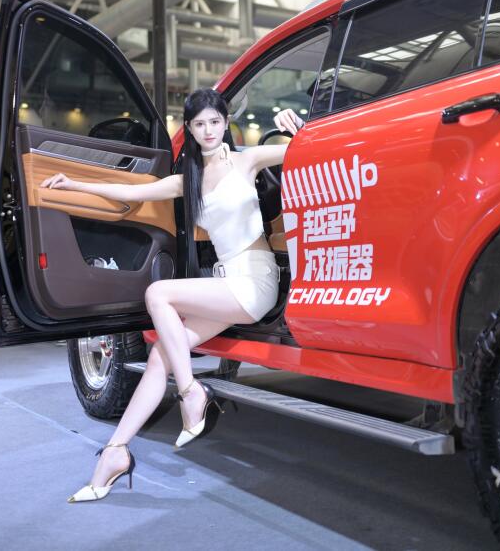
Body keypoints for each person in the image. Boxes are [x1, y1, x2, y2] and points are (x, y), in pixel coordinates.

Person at [41, 89, 304, 503]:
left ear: (226, 122)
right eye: (199, 124)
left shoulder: (247, 160)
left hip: (255, 281)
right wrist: (74, 182)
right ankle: (114, 453)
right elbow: (130, 193)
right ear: (190, 129)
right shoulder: (188, 181)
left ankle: (190, 393)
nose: (208, 130)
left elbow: (304, 151)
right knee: (162, 354)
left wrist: (299, 126)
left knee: (159, 293)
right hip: (226, 286)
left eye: (214, 121)